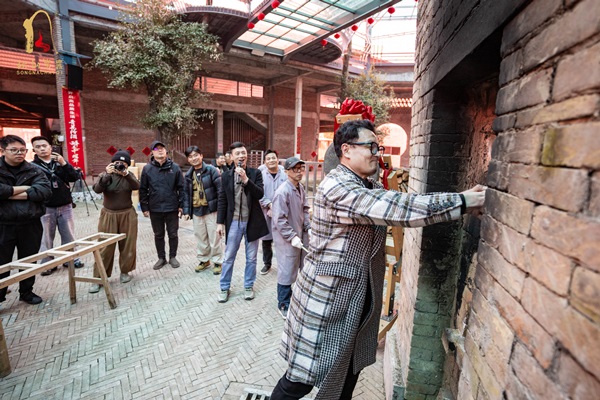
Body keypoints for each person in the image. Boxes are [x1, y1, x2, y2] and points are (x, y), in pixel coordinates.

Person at [271, 120, 487, 400]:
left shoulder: (365, 184)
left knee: (347, 373)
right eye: (370, 146)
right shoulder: (338, 187)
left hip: (355, 299)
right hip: (326, 300)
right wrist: (462, 201)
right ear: (346, 150)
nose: (377, 153)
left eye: (378, 147)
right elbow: (398, 208)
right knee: (299, 380)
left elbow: (398, 202)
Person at [0, 135, 51, 305]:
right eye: (14, 150)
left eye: (23, 150)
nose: (19, 153)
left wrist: (8, 194)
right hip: (3, 224)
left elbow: (44, 191)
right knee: (1, 261)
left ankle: (26, 291)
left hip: (30, 223)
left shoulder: (34, 170)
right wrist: (24, 189)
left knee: (29, 259)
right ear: (3, 151)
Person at [216, 142, 268, 303]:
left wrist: (246, 179)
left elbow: (260, 194)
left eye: (243, 153)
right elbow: (222, 199)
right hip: (233, 222)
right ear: (231, 157)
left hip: (252, 221)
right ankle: (224, 287)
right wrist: (219, 223)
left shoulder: (255, 173)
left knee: (251, 258)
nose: (241, 156)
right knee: (228, 257)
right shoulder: (226, 176)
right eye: (237, 153)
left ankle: (248, 286)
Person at [31, 136, 84, 275]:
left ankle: (70, 259)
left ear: (50, 147)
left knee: (69, 234)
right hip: (45, 207)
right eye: (38, 147)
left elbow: (74, 177)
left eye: (44, 146)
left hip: (65, 205)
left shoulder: (60, 162)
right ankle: (48, 264)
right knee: (46, 237)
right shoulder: (32, 167)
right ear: (34, 150)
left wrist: (64, 163)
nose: (42, 149)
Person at [89, 150, 140, 293]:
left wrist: (126, 174)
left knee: (128, 245)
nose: (120, 165)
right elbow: (97, 189)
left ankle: (125, 272)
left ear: (127, 165)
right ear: (111, 163)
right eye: (117, 163)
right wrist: (106, 174)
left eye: (123, 163)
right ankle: (99, 277)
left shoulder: (129, 176)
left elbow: (137, 186)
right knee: (105, 247)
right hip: (109, 215)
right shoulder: (105, 175)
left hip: (127, 215)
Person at [271, 157, 310, 319]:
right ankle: (283, 303)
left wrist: (308, 226)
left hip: (300, 234)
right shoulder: (282, 192)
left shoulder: (300, 188)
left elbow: (305, 209)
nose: (299, 172)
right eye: (295, 169)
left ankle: (294, 297)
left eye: (301, 168)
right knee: (286, 270)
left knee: (300, 266)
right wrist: (291, 236)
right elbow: (279, 219)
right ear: (286, 171)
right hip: (286, 238)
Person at [140, 140, 184, 270]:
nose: (160, 150)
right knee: (158, 234)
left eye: (162, 148)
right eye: (156, 148)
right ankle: (161, 258)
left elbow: (182, 188)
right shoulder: (147, 169)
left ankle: (173, 257)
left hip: (172, 207)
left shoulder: (175, 168)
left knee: (173, 234)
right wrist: (144, 207)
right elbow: (143, 189)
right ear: (152, 153)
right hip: (155, 207)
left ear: (166, 151)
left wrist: (181, 205)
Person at [182, 146, 223, 274]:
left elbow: (220, 191)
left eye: (196, 155)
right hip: (197, 210)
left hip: (211, 209)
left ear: (201, 155)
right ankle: (204, 260)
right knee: (200, 238)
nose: (194, 158)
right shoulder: (188, 175)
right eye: (190, 156)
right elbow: (186, 194)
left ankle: (217, 261)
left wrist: (221, 211)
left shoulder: (212, 170)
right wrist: (186, 211)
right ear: (188, 159)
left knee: (214, 237)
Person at [258, 149, 288, 275]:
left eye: (273, 158)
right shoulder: (260, 174)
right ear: (265, 162)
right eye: (268, 158)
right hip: (266, 211)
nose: (271, 160)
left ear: (277, 159)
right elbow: (258, 193)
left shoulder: (285, 174)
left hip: (282, 212)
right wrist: (269, 204)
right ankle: (267, 263)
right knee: (266, 239)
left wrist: (279, 206)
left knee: (283, 239)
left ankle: (284, 264)